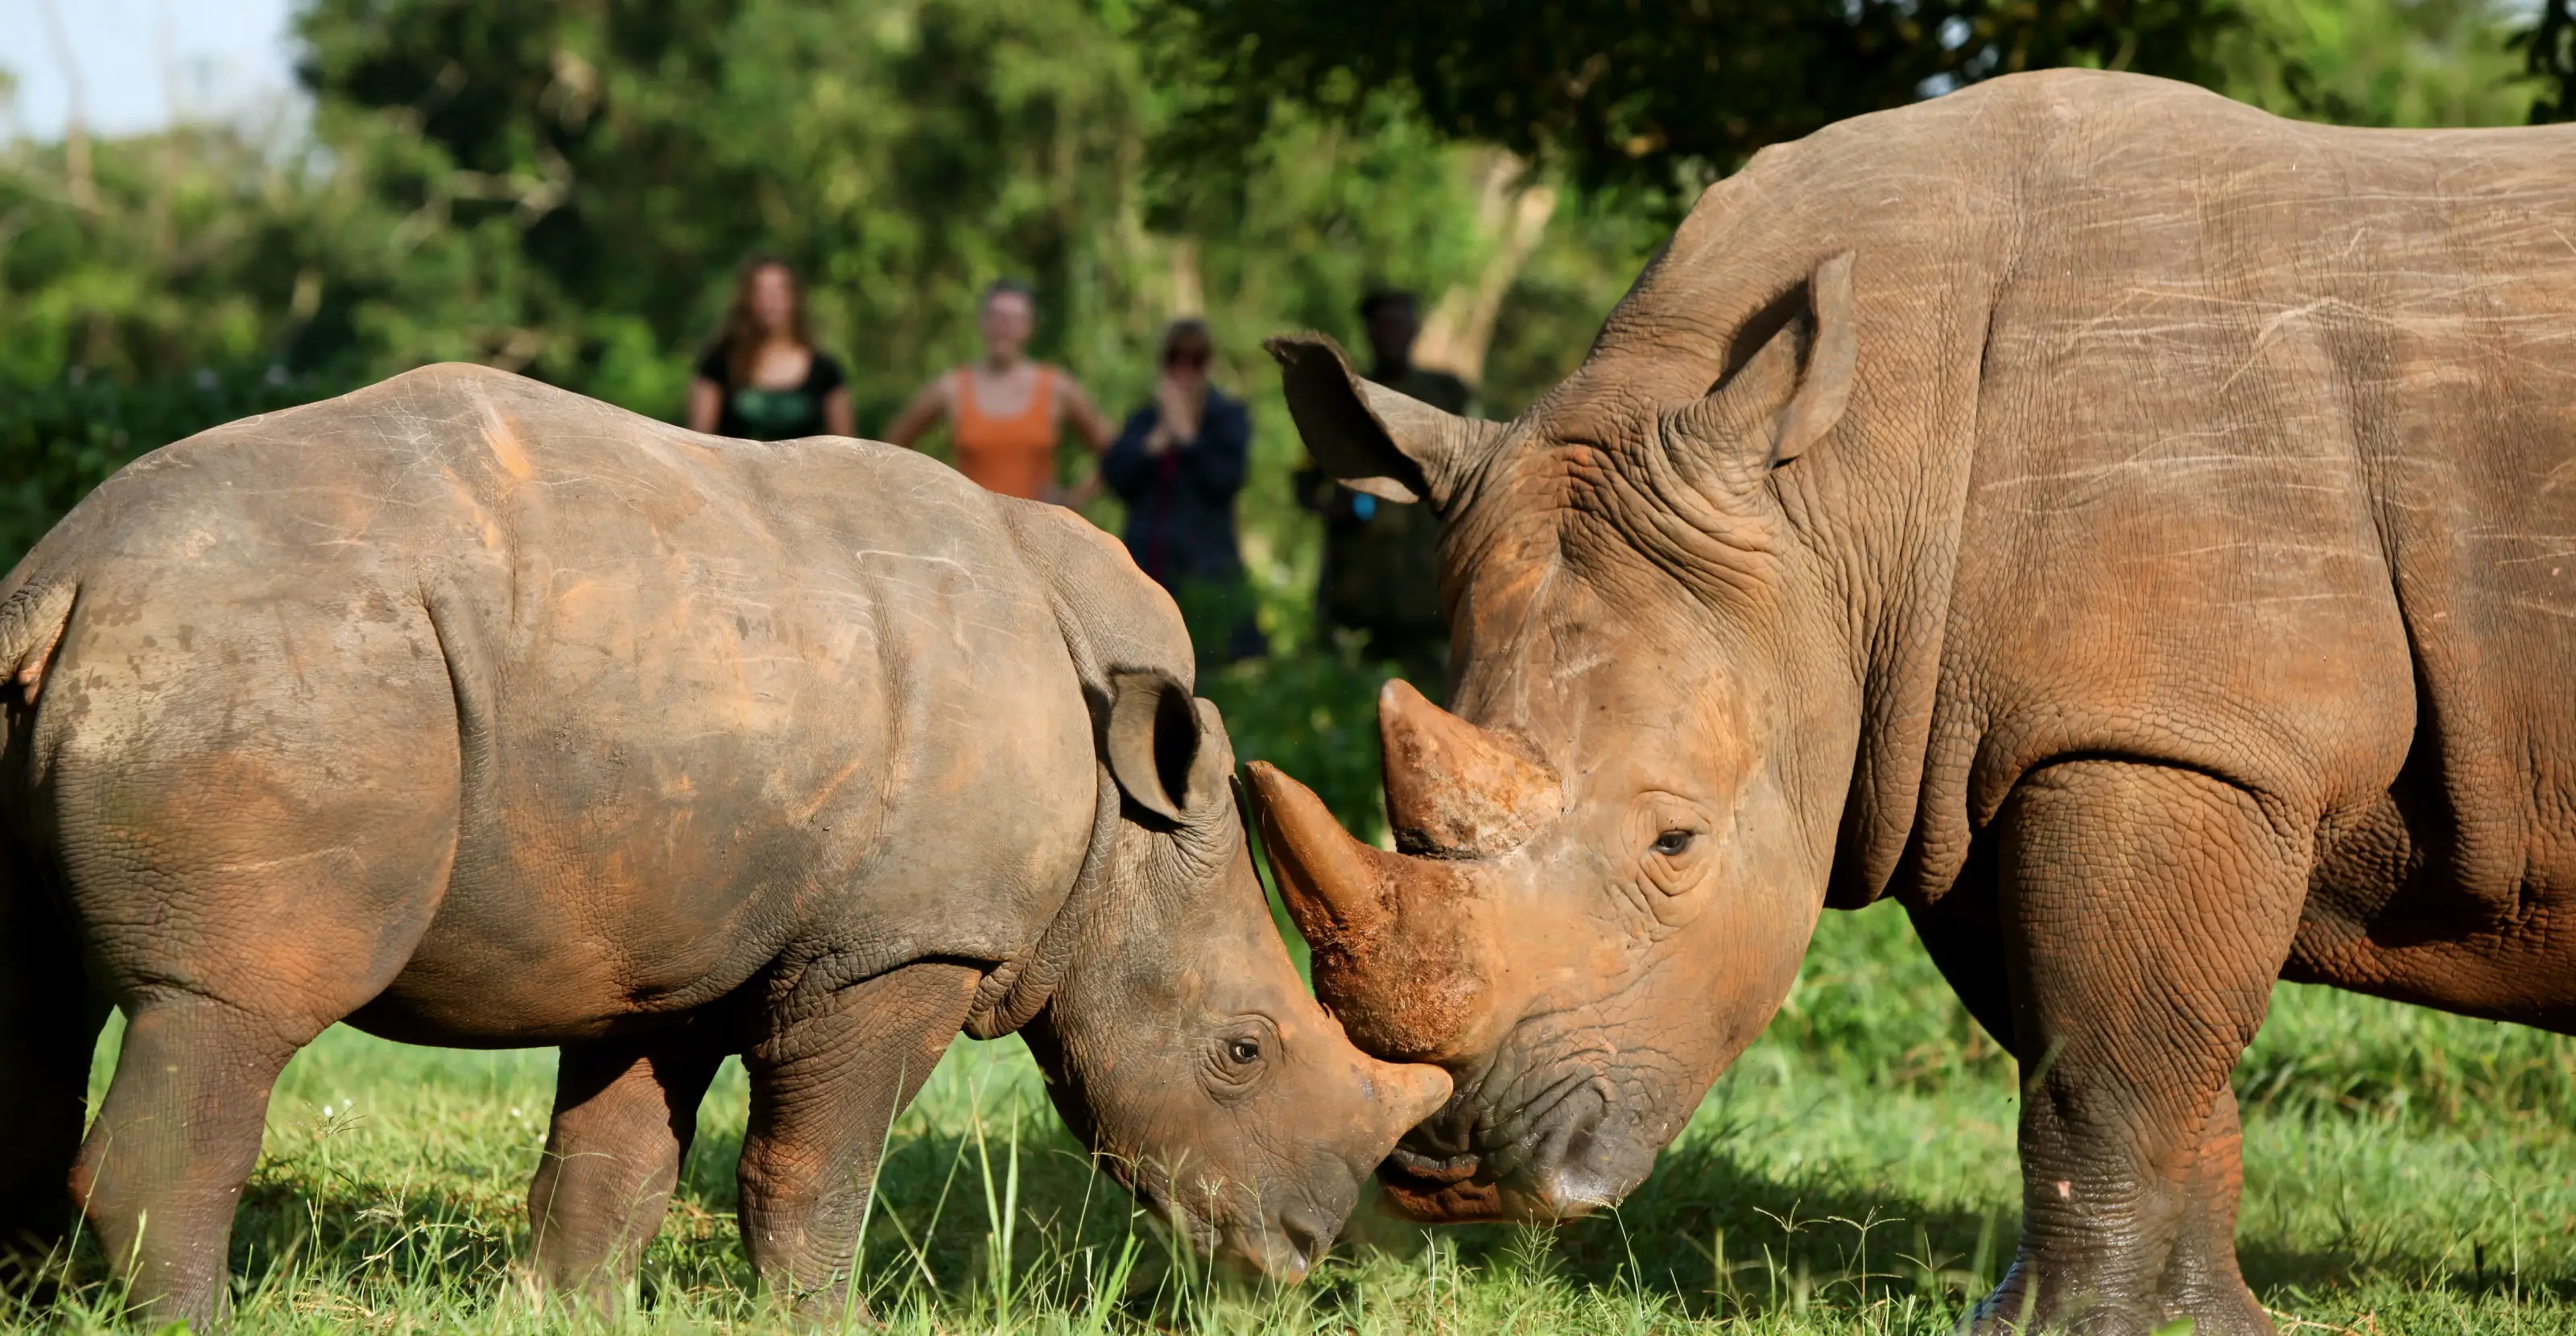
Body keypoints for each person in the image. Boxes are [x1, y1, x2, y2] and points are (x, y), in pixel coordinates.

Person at [1297, 287, 1473, 688]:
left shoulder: (1446, 395)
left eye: (1399, 324)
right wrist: (1336, 511)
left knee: (1435, 701)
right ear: (1369, 331)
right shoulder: (1343, 398)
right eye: (1383, 325)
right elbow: (1304, 485)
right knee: (1347, 692)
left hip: (1427, 593)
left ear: (1414, 330)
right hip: (1357, 593)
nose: (1391, 334)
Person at [1101, 319, 1265, 666]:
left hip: (1207, 571)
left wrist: (1188, 440)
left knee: (1213, 667)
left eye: (1196, 360)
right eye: (1177, 359)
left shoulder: (1227, 418)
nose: (1185, 370)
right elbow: (1116, 478)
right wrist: (1153, 445)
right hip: (1147, 569)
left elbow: (1225, 482)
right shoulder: (1144, 420)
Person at [886, 279, 1112, 502]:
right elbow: (890, 447)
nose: (1004, 327)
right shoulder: (951, 389)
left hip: (1039, 531)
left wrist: (1074, 498)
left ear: (1030, 326)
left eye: (1015, 319)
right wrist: (924, 497)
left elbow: (1116, 452)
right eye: (997, 316)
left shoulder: (1057, 388)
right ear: (982, 321)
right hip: (972, 531)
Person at [687, 256, 855, 440]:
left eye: (779, 291)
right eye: (761, 292)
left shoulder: (826, 370)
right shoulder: (718, 363)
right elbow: (700, 439)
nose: (771, 301)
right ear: (747, 299)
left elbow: (845, 445)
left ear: (795, 297)